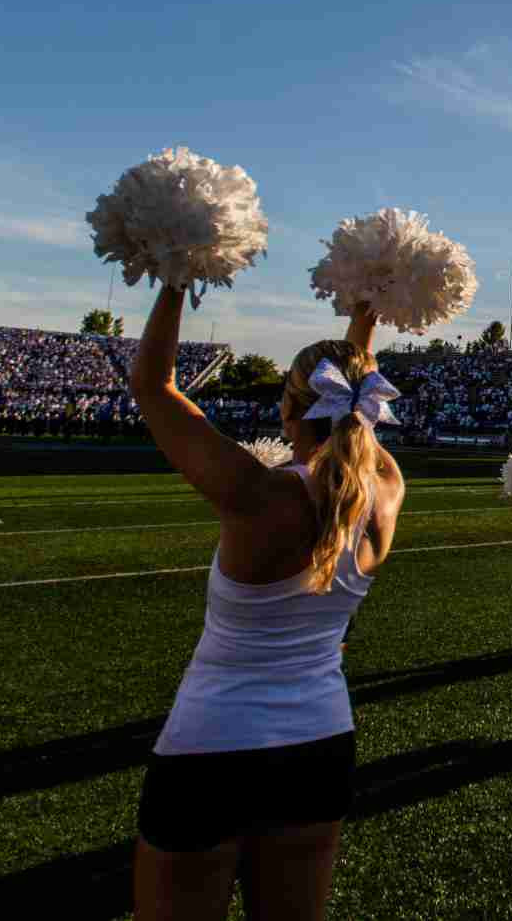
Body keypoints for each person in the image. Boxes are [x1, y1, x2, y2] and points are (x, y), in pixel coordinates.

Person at [128, 287, 406, 921]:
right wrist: (360, 331)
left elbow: (152, 385)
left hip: (210, 748)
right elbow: (350, 428)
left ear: (289, 412)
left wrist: (176, 274)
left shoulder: (255, 493)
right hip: (320, 743)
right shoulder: (387, 494)